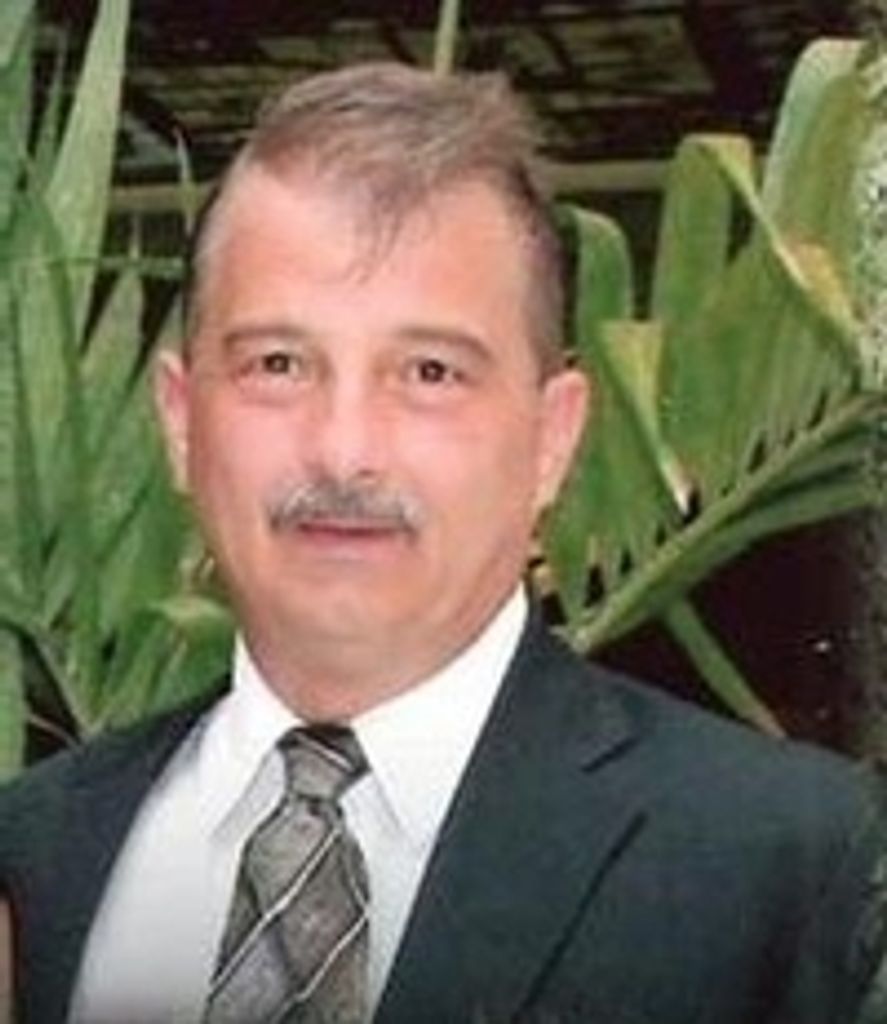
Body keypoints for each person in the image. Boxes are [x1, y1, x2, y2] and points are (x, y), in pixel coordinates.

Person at [0, 61, 884, 1024]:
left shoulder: (806, 868)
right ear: (180, 422)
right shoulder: (40, 851)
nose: (344, 450)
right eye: (278, 364)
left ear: (551, 440)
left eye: (429, 372)